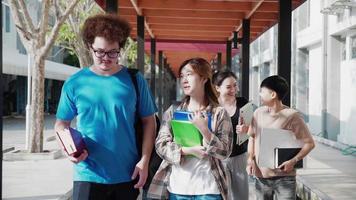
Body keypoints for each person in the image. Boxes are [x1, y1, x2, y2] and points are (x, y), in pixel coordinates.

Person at [54, 14, 157, 200]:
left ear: (120, 49)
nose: (106, 58)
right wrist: (68, 150)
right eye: (99, 52)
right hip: (87, 174)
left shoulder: (134, 80)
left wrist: (144, 160)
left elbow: (149, 121)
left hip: (128, 174)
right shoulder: (75, 83)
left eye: (112, 52)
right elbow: (61, 124)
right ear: (89, 47)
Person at [147, 57, 233, 200]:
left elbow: (225, 151)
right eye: (182, 76)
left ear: (204, 78)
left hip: (209, 189)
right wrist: (186, 151)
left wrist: (205, 130)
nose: (184, 80)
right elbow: (160, 144)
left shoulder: (219, 113)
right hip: (178, 188)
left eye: (189, 74)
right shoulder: (173, 111)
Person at [246, 75, 315, 200]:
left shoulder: (292, 116)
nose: (260, 94)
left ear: (273, 94)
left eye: (262, 91)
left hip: (285, 177)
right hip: (261, 176)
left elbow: (309, 143)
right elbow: (252, 137)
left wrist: (293, 161)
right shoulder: (258, 113)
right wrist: (250, 159)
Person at [212, 70, 249, 200]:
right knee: (222, 195)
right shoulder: (212, 106)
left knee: (241, 195)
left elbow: (254, 129)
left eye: (235, 85)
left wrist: (246, 129)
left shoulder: (243, 103)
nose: (233, 89)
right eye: (228, 87)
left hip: (240, 156)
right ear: (217, 88)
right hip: (219, 158)